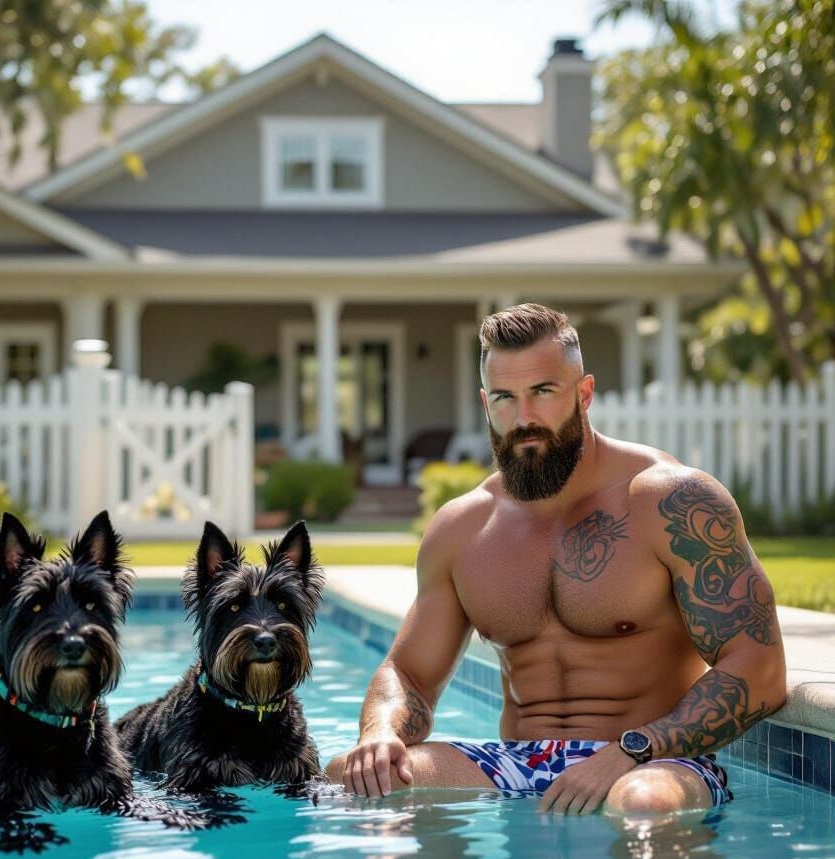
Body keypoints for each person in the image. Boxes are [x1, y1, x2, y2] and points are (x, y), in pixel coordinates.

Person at [326, 303, 787, 815]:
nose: (523, 418)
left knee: (643, 803)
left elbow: (760, 668)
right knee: (354, 777)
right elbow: (408, 674)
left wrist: (631, 751)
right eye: (504, 398)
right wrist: (380, 732)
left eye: (543, 392)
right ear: (485, 403)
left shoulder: (670, 501)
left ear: (583, 394)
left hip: (653, 758)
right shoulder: (464, 527)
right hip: (520, 762)